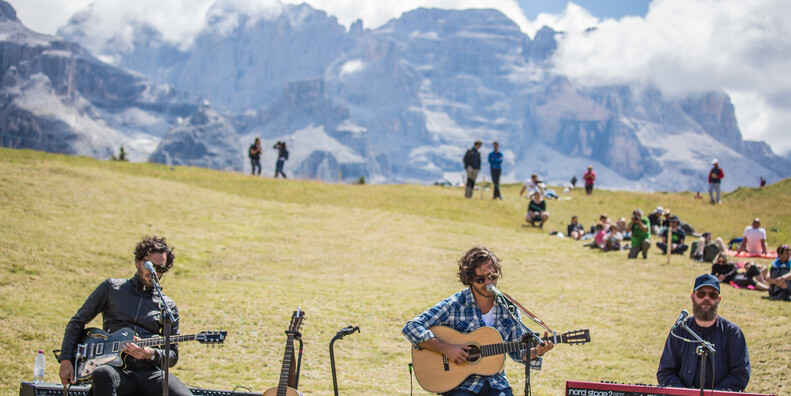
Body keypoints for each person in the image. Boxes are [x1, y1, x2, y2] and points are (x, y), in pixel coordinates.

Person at [402, 246, 555, 396]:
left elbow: (518, 354)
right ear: (470, 279)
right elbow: (411, 327)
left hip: (496, 382)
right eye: (481, 279)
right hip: (460, 385)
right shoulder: (455, 304)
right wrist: (446, 348)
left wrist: (537, 352)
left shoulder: (509, 307)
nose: (488, 283)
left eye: (493, 277)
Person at [57, 236, 193, 396]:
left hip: (149, 373)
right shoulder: (111, 289)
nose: (154, 272)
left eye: (160, 269)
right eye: (150, 265)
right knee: (102, 373)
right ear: (138, 261)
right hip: (115, 370)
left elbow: (172, 355)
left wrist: (151, 354)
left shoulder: (167, 305)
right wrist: (65, 359)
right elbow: (77, 322)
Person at [656, 274, 750, 391]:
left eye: (712, 294)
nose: (706, 298)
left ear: (718, 299)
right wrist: (683, 394)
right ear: (692, 297)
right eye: (701, 294)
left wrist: (715, 395)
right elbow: (666, 372)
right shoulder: (679, 331)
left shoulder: (733, 333)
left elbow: (740, 374)